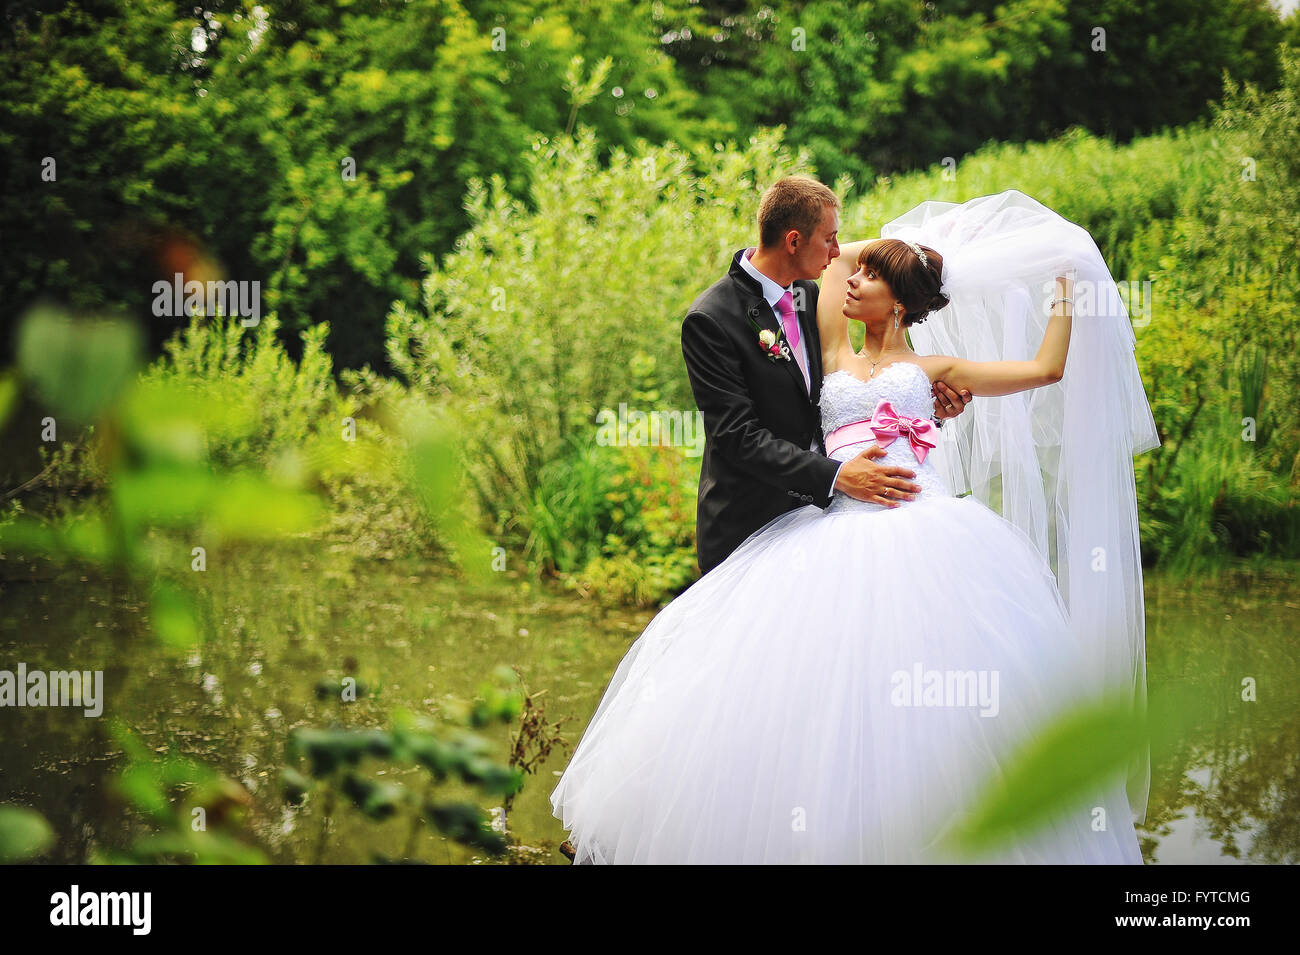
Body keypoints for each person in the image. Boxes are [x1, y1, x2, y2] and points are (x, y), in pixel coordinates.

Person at [550, 190, 1159, 864]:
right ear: (794, 240)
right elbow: (751, 418)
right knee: (803, 699)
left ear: (896, 300)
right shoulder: (812, 338)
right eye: (833, 247)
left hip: (925, 531)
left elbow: (1044, 369)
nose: (845, 265)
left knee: (931, 701)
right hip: (821, 523)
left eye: (865, 271)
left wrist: (1060, 286)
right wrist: (917, 251)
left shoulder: (922, 364)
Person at [679, 175, 972, 575]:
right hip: (750, 524)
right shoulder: (711, 318)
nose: (837, 252)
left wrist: (924, 410)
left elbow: (835, 398)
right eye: (830, 239)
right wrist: (837, 476)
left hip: (825, 523)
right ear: (794, 241)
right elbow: (737, 437)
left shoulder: (808, 294)